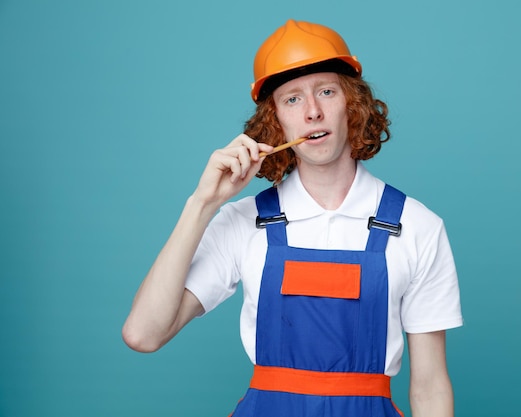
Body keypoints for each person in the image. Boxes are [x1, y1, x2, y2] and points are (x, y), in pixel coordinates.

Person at [122, 19, 463, 417]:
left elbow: (430, 387)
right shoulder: (242, 221)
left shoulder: (418, 226)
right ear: (276, 122)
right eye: (292, 99)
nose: (313, 112)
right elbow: (143, 334)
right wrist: (201, 204)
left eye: (326, 91)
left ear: (352, 106)